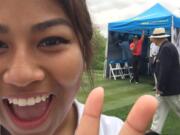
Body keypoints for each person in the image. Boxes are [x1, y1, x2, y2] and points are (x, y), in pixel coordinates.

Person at [0, 0, 158, 135]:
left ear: (83, 50)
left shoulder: (114, 131)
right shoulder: (132, 44)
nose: (21, 75)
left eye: (51, 41)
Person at [145, 27, 180, 135]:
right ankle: (155, 131)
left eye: (153, 38)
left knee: (178, 108)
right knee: (159, 109)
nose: (152, 40)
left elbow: (165, 70)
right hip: (166, 88)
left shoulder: (166, 48)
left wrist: (160, 87)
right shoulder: (165, 47)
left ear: (157, 38)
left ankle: (155, 131)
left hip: (169, 88)